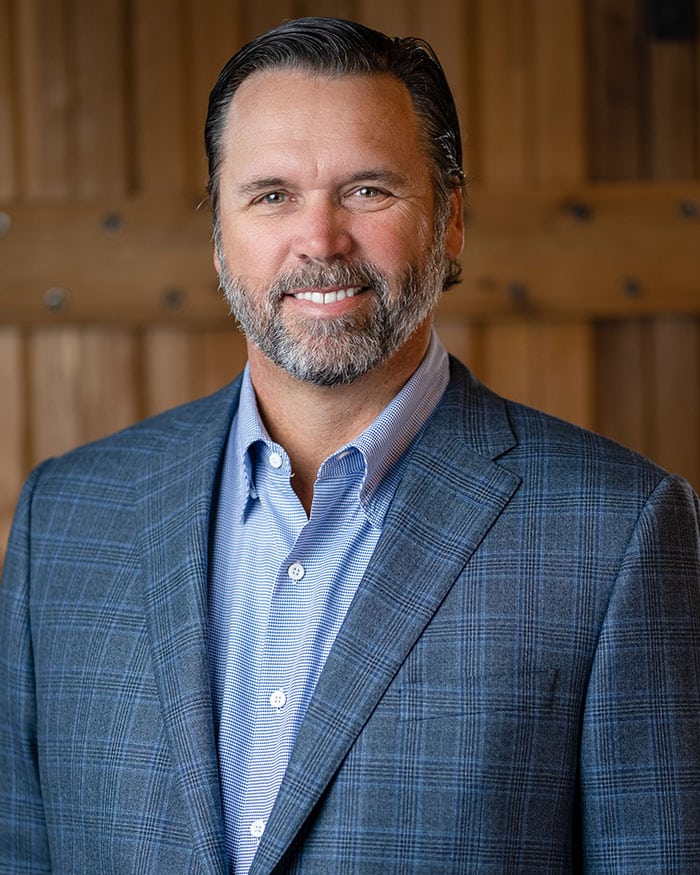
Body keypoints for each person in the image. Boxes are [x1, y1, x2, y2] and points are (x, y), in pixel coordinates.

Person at [1, 16, 699, 874]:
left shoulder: (617, 531)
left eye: (369, 191)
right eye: (271, 195)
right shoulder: (65, 516)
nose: (321, 241)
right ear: (219, 233)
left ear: (450, 224)